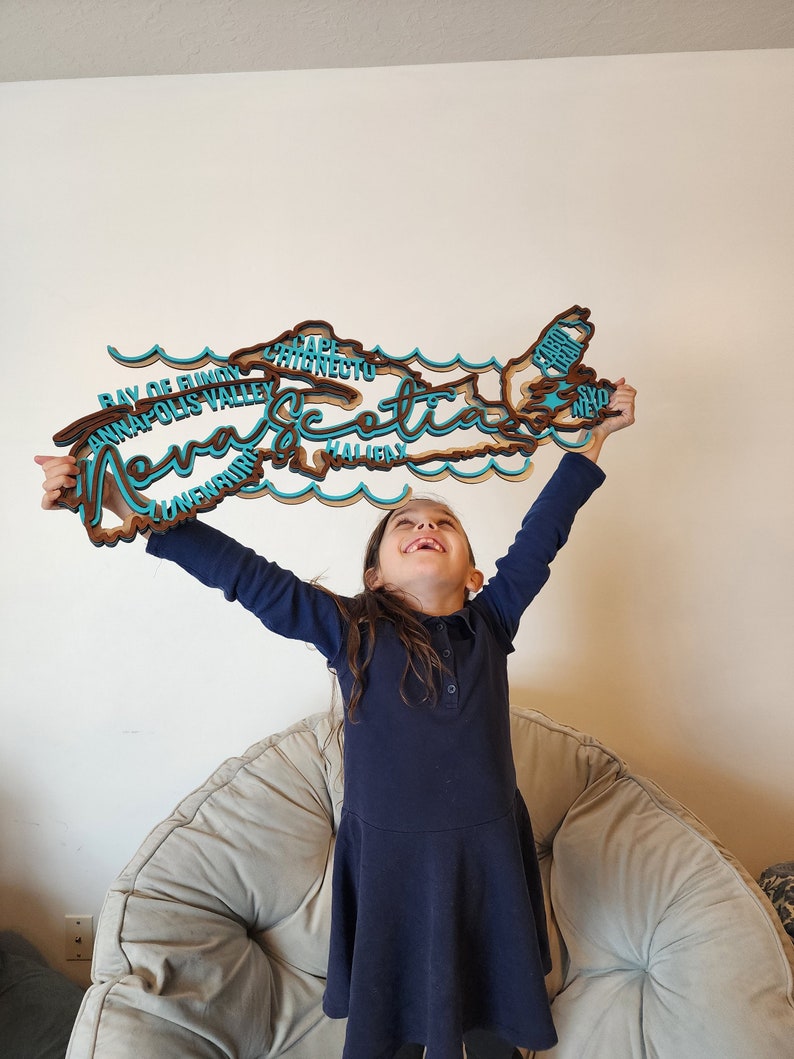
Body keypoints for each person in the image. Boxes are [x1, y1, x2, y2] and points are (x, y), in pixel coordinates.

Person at [36, 380, 636, 1059]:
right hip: (389, 869)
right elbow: (239, 570)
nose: (423, 528)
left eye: (442, 523)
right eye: (404, 525)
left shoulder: (490, 622)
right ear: (374, 576)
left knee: (492, 1023)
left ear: (473, 574)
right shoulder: (350, 630)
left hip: (484, 867)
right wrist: (113, 497)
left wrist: (595, 435)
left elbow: (543, 531)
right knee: (390, 1031)